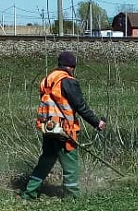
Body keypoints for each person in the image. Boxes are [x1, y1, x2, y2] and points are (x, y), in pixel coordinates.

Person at [21, 50, 106, 200]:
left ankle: (29, 193)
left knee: (46, 160)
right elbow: (80, 106)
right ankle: (72, 198)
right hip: (64, 130)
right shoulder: (67, 80)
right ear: (72, 66)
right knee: (71, 164)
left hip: (48, 127)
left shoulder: (48, 79)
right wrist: (96, 123)